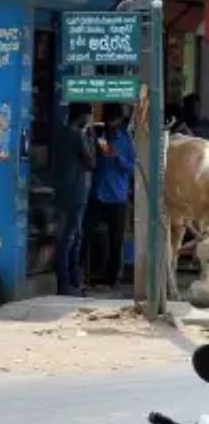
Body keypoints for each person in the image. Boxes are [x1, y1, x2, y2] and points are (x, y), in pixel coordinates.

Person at [85, 103, 135, 290]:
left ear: (120, 120)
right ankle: (87, 275)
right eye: (107, 121)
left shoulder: (126, 139)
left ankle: (112, 279)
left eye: (113, 121)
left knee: (116, 240)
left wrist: (117, 157)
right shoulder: (99, 135)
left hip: (117, 197)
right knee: (85, 234)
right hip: (97, 194)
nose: (110, 124)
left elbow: (131, 168)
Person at [54, 103, 97, 296]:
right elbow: (91, 163)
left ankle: (68, 281)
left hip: (61, 191)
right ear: (81, 117)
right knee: (71, 239)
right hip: (76, 194)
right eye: (89, 116)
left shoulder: (60, 133)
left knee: (64, 237)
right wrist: (91, 139)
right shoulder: (79, 135)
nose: (90, 120)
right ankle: (69, 283)